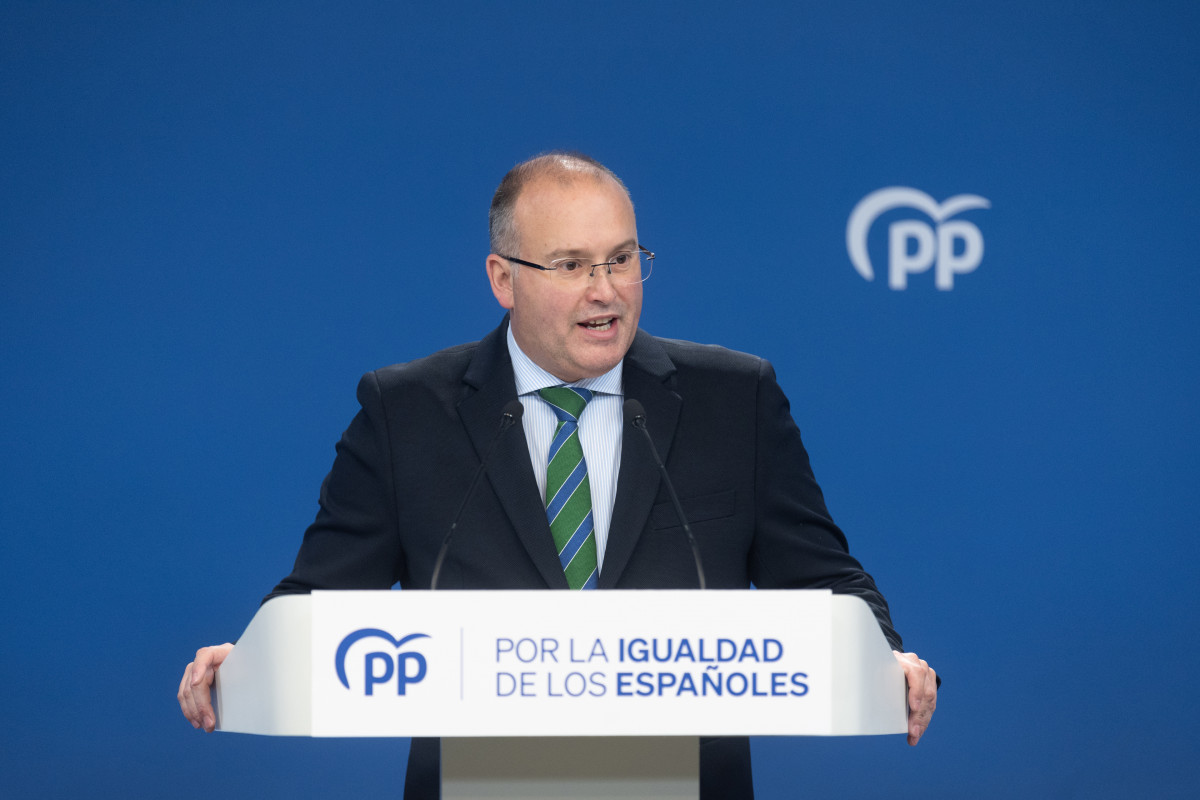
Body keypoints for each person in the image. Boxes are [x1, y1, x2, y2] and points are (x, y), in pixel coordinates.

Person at [179, 151, 938, 798]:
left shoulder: (733, 400)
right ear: (502, 278)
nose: (605, 289)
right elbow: (324, 595)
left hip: (682, 779)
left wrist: (883, 655)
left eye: (621, 259)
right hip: (479, 782)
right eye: (571, 265)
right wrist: (252, 654)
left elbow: (823, 579)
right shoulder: (405, 411)